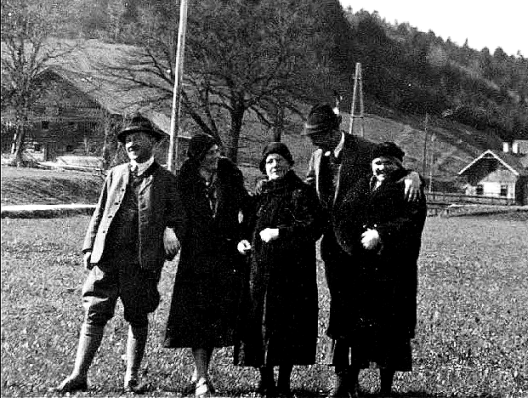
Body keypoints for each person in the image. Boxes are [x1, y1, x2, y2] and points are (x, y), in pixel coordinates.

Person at [55, 114, 183, 394]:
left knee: (138, 315)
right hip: (107, 258)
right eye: (127, 139)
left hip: (141, 262)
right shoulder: (115, 174)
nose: (131, 143)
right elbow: (100, 212)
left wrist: (171, 230)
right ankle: (79, 374)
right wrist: (90, 246)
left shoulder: (167, 180)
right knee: (94, 312)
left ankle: (132, 377)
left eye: (138, 137)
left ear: (153, 142)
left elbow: (178, 217)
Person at [300, 104, 421, 397]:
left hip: (361, 248)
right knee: (340, 311)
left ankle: (351, 379)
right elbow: (307, 186)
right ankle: (344, 380)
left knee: (360, 311)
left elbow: (394, 168)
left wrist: (414, 175)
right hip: (332, 246)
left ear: (334, 130)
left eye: (318, 136)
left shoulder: (365, 149)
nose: (314, 143)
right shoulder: (317, 156)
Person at [330, 142, 427, 397]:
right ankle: (348, 384)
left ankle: (386, 388)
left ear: (399, 165)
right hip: (359, 268)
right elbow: (342, 215)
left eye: (389, 163)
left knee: (390, 328)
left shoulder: (408, 187)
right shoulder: (362, 185)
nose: (383, 167)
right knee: (354, 327)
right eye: (378, 162)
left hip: (392, 270)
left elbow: (412, 221)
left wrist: (381, 234)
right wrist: (351, 246)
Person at [163, 133, 253, 396]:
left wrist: (243, 237)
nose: (217, 156)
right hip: (196, 255)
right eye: (211, 152)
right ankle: (202, 376)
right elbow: (172, 210)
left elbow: (247, 207)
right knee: (197, 314)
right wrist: (169, 229)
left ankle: (200, 373)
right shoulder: (186, 179)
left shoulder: (229, 175)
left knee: (213, 315)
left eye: (218, 151)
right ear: (198, 156)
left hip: (225, 254)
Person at [234, 142, 325, 397]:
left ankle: (284, 380)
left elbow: (313, 226)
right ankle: (265, 379)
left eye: (279, 160)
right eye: (270, 162)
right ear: (264, 167)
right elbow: (248, 227)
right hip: (260, 271)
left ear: (289, 163)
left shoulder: (302, 193)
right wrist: (243, 241)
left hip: (291, 273)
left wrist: (280, 232)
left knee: (287, 325)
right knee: (260, 321)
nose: (275, 166)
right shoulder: (261, 194)